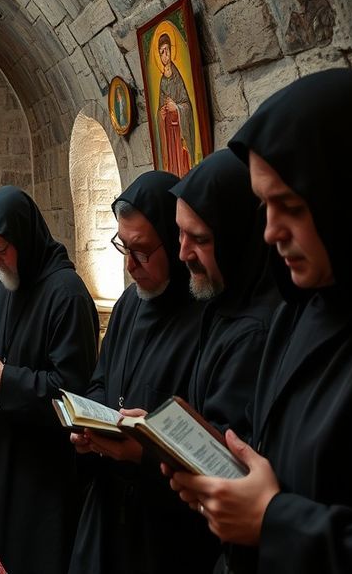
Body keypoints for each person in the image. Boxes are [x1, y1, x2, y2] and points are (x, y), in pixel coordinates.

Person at [167, 69, 352, 573]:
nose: (268, 231)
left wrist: (271, 519)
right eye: (263, 205)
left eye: (289, 206)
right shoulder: (300, 306)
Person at [67, 171, 212, 574]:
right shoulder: (130, 302)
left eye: (143, 251)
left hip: (164, 528)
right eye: (123, 247)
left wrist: (144, 452)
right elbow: (102, 381)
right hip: (108, 509)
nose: (130, 266)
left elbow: (205, 434)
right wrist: (89, 424)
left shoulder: (203, 318)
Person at [0, 185, 99, 574]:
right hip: (2, 452)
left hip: (42, 471)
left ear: (24, 238)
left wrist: (5, 380)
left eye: (0, 251)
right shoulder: (8, 282)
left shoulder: (67, 294)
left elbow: (74, 393)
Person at [171, 149, 278, 437]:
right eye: (180, 232)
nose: (183, 253)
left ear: (237, 235)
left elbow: (227, 448)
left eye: (200, 239)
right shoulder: (224, 300)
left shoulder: (255, 330)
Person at [155, 33, 195, 177]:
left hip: (179, 131)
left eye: (167, 50)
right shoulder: (162, 82)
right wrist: (161, 114)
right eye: (161, 52)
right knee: (172, 164)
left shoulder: (177, 77)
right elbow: (158, 111)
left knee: (182, 162)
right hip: (169, 132)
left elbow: (187, 105)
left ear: (171, 51)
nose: (165, 55)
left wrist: (176, 108)